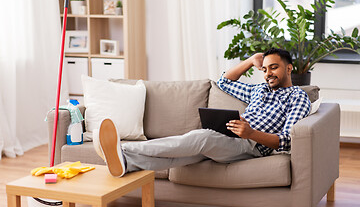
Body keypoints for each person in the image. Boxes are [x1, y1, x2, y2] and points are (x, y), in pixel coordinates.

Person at [93, 48, 311, 177]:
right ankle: (125, 164)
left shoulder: (297, 97)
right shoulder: (258, 89)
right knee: (187, 156)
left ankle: (122, 148)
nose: (268, 73)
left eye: (274, 67)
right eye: (264, 69)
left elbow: (286, 141)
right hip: (230, 137)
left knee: (202, 137)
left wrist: (250, 133)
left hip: (252, 146)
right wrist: (250, 60)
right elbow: (225, 82)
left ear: (289, 68)